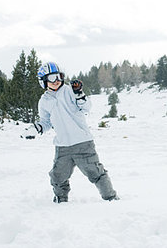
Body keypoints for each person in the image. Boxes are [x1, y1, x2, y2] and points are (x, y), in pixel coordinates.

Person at [28, 62, 118, 203]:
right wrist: (36, 128)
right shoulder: (44, 101)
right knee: (57, 176)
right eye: (51, 78)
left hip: (83, 143)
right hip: (63, 146)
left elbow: (86, 107)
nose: (56, 81)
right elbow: (46, 122)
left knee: (95, 172)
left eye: (59, 77)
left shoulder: (69, 91)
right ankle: (61, 200)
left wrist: (79, 94)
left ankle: (111, 198)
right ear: (43, 81)